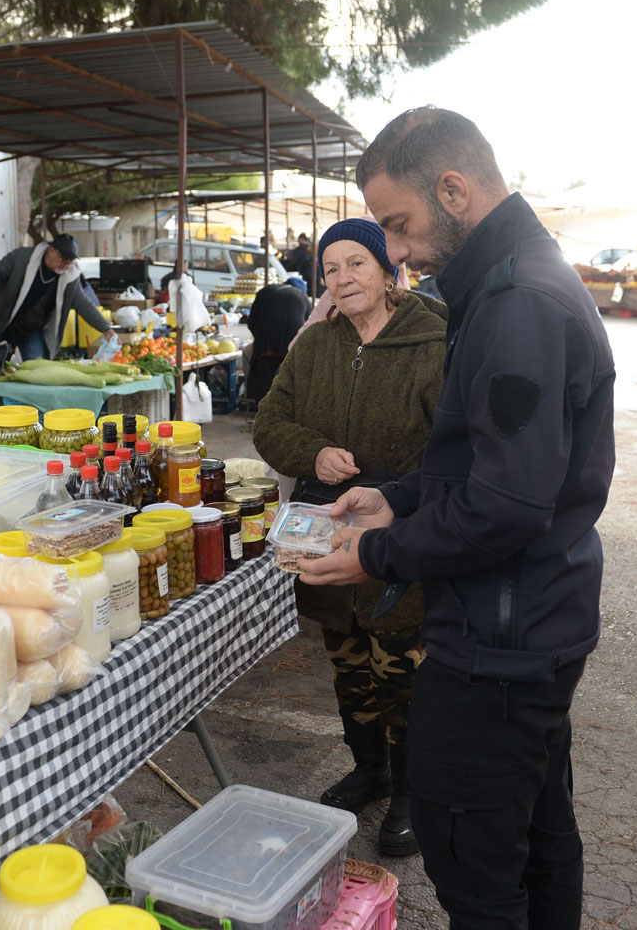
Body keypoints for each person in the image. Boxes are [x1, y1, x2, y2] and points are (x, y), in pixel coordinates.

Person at [300, 107, 615, 930]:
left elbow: (507, 504)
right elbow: (488, 460)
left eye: (398, 225)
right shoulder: (506, 283)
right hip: (527, 619)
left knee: (476, 865)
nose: (394, 249)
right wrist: (399, 498)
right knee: (537, 835)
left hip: (500, 639)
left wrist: (378, 551)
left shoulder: (518, 301)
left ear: (453, 190)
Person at [253, 217, 446, 856]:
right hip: (326, 529)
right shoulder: (316, 345)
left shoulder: (434, 342)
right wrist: (313, 454)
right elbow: (269, 423)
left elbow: (454, 450)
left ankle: (414, 791)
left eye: (356, 263)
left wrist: (401, 494)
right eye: (331, 269)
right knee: (347, 662)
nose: (343, 278)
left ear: (388, 270)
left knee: (402, 669)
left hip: (402, 529)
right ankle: (370, 770)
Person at [0, 234, 115, 360]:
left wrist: (106, 328)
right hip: (3, 319)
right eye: (63, 260)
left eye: (69, 262)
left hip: (31, 328)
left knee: (38, 369)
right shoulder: (23, 257)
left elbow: (83, 304)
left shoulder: (70, 276)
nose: (66, 266)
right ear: (51, 251)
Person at [242, 280, 312, 404]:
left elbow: (251, 321)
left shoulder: (266, 290)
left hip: (267, 340)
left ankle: (263, 409)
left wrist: (260, 339)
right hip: (293, 340)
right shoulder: (304, 298)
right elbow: (306, 326)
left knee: (264, 374)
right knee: (291, 377)